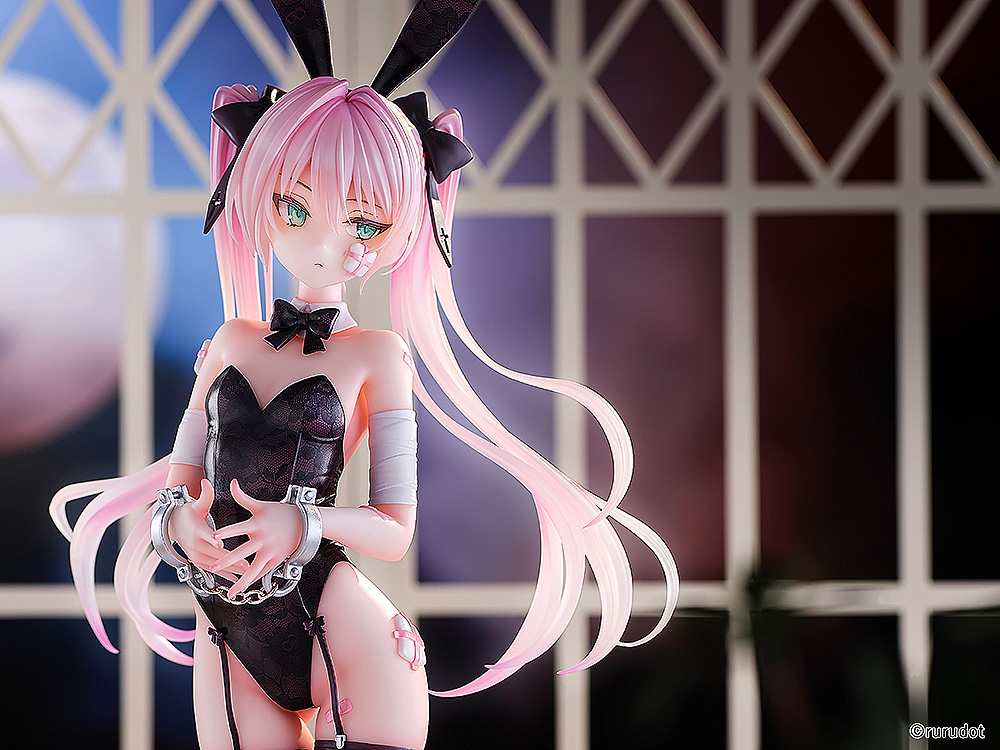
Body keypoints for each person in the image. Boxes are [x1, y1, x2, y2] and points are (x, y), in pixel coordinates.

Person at [50, 2, 678, 749]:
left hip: (341, 628)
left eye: (364, 222)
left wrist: (302, 523)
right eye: (296, 207)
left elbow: (394, 529)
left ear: (401, 227)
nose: (325, 238)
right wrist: (176, 524)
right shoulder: (227, 343)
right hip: (226, 626)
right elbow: (178, 485)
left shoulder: (378, 355)